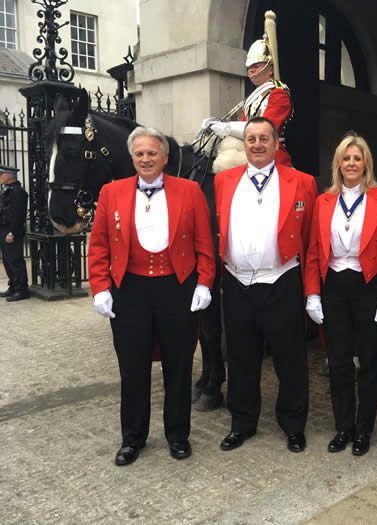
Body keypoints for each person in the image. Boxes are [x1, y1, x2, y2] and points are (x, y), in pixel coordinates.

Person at [87, 127, 216, 466]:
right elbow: (98, 245)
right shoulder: (111, 192)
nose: (146, 159)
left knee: (179, 365)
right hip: (129, 290)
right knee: (132, 368)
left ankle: (178, 434)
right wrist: (100, 287)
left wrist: (204, 283)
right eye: (140, 153)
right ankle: (133, 438)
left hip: (177, 288)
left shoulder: (189, 191)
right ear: (132, 158)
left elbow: (204, 242)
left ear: (165, 157)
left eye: (152, 153)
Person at [215, 116, 317, 454]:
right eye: (250, 139)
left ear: (276, 144)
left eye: (263, 138)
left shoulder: (301, 182)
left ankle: (293, 425)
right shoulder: (224, 180)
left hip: (282, 279)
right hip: (237, 281)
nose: (257, 144)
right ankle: (242, 423)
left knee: (290, 358)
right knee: (241, 357)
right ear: (243, 144)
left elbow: (309, 235)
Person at [304, 133, 377, 456]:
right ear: (338, 164)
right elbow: (314, 250)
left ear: (366, 164)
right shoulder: (323, 201)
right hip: (334, 288)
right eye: (346, 158)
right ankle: (343, 426)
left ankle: (364, 430)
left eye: (358, 158)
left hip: (368, 286)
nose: (352, 163)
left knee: (370, 362)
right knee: (339, 360)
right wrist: (312, 294)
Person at [203, 11, 293, 169]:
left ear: (270, 68)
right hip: (248, 150)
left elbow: (265, 129)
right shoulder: (254, 96)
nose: (251, 70)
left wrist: (228, 128)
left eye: (256, 66)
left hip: (273, 154)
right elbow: (245, 124)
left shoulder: (278, 93)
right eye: (249, 67)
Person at [0, 164, 29, 302]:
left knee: (15, 261)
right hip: (4, 229)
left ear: (7, 176)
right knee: (7, 260)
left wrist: (12, 232)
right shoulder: (8, 190)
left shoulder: (18, 192)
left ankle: (22, 290)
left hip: (12, 230)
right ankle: (13, 286)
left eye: (1, 175)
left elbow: (18, 215)